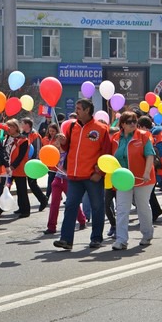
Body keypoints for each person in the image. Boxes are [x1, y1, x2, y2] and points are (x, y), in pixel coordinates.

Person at [54, 98, 112, 251]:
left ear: (87, 110)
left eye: (79, 108)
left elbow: (107, 153)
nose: (76, 111)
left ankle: (96, 238)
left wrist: (99, 172)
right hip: (74, 176)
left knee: (97, 207)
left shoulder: (101, 128)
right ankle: (66, 239)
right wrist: (63, 141)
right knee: (70, 206)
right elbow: (68, 148)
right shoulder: (72, 127)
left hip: (93, 176)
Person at [110, 111, 155, 250]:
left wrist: (147, 172)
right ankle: (121, 239)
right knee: (122, 209)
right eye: (129, 122)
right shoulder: (115, 138)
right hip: (123, 179)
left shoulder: (143, 136)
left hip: (142, 179)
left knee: (142, 207)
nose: (133, 124)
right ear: (122, 124)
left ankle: (147, 234)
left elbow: (150, 155)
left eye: (135, 122)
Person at [43, 133, 87, 235]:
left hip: (68, 181)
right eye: (56, 140)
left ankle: (82, 220)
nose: (57, 143)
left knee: (72, 203)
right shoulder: (55, 153)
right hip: (57, 179)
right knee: (54, 204)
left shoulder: (70, 153)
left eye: (59, 140)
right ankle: (51, 227)